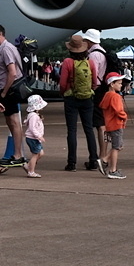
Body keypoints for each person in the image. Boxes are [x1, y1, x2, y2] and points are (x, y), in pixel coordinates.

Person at [57, 34, 102, 172]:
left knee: (72, 130)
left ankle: (72, 163)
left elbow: (63, 83)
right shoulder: (90, 63)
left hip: (71, 98)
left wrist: (64, 92)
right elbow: (95, 82)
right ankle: (93, 160)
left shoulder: (67, 62)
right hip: (87, 98)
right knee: (89, 129)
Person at [0, 24, 26, 168]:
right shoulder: (6, 48)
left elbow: (13, 72)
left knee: (14, 121)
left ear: (0, 34)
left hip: (9, 89)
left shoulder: (6, 49)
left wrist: (4, 92)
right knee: (11, 121)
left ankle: (18, 155)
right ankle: (17, 154)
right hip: (9, 88)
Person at [99, 72, 128, 179]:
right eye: (119, 83)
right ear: (112, 84)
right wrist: (124, 116)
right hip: (116, 124)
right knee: (117, 147)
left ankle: (105, 160)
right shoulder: (115, 96)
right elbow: (118, 110)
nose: (121, 85)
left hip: (110, 124)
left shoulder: (107, 95)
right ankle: (112, 170)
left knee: (118, 146)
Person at [22, 93, 46, 178]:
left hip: (35, 138)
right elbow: (32, 128)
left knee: (40, 153)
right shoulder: (33, 116)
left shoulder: (34, 115)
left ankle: (28, 166)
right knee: (35, 155)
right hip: (33, 138)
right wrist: (38, 136)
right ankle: (31, 171)